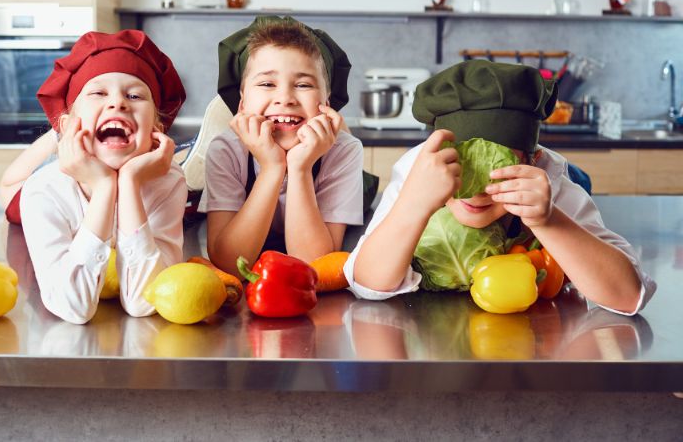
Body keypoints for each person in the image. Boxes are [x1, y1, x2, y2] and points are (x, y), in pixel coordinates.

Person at [345, 60, 655, 315]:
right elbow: (367, 282)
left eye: (497, 170)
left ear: (534, 161)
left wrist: (548, 220)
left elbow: (629, 296)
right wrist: (413, 204)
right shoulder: (420, 169)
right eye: (463, 168)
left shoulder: (550, 180)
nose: (476, 192)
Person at [19, 30, 187, 324]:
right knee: (11, 185)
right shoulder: (43, 190)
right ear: (70, 125)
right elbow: (74, 307)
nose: (118, 103)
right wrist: (105, 185)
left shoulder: (169, 181)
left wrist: (130, 183)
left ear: (157, 129)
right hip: (32, 187)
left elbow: (143, 301)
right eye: (98, 93)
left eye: (134, 95)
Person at [199, 16, 364, 274]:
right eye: (267, 84)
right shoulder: (226, 149)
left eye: (303, 85)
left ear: (327, 103)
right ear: (242, 104)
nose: (285, 98)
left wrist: (300, 168)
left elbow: (314, 266)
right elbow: (229, 263)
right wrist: (272, 167)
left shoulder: (344, 151)